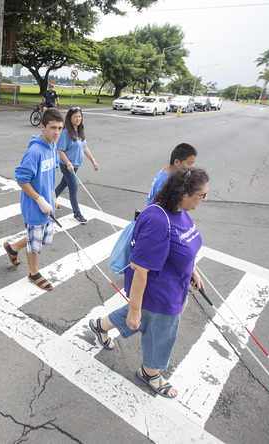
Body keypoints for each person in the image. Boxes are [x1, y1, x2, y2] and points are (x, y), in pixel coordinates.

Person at [89, 166, 208, 399]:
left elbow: (180, 248)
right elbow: (140, 269)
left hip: (172, 287)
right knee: (161, 332)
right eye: (202, 195)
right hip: (160, 294)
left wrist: (192, 270)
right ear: (185, 192)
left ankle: (99, 325)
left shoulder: (179, 211)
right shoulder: (158, 221)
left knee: (145, 316)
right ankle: (150, 373)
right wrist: (135, 309)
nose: (204, 199)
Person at [2, 109, 64, 291]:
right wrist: (40, 200)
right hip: (34, 205)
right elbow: (21, 178)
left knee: (38, 235)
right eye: (53, 128)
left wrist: (52, 197)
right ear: (43, 126)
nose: (57, 132)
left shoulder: (52, 146)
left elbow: (51, 175)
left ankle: (13, 248)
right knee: (35, 243)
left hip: (47, 203)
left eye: (60, 128)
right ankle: (34, 272)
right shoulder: (35, 151)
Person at [54, 107, 99, 224]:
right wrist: (68, 163)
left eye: (79, 116)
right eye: (75, 116)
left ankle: (51, 200)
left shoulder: (80, 131)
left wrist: (93, 160)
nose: (78, 119)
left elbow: (85, 147)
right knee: (73, 187)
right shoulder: (66, 133)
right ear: (70, 118)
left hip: (75, 165)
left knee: (63, 184)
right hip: (67, 165)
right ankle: (77, 213)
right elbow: (60, 150)